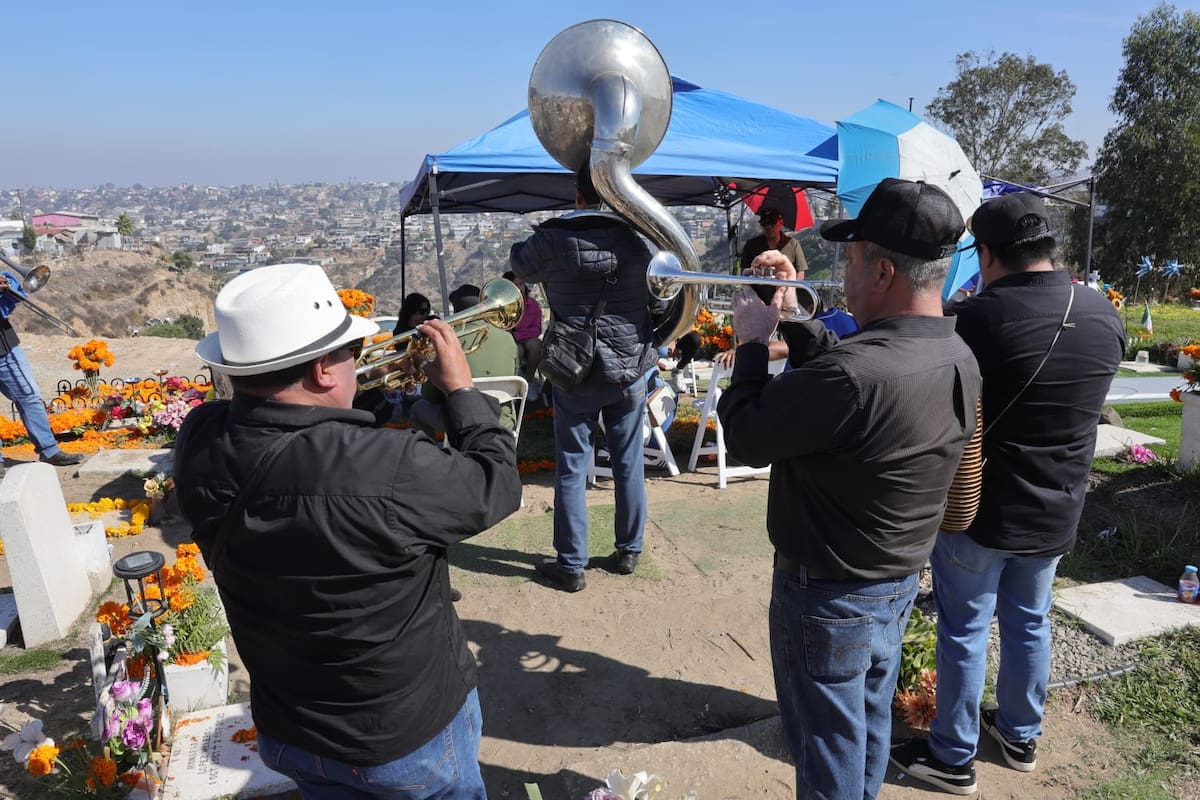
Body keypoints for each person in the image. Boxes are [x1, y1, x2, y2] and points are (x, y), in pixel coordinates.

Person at [172, 263, 522, 800]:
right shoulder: (388, 465)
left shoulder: (198, 439)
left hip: (291, 728)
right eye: (351, 353)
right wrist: (461, 392)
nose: (362, 363)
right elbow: (496, 485)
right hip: (401, 737)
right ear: (321, 371)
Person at [717, 178, 981, 800]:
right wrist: (799, 319)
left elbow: (748, 435)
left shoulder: (852, 376)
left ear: (885, 270)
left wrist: (753, 343)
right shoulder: (956, 352)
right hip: (893, 584)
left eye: (855, 260)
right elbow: (860, 375)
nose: (844, 273)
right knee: (864, 737)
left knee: (826, 753)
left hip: (828, 598)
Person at [890, 193, 1125, 795]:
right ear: (1051, 248)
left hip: (980, 507)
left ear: (987, 254)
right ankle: (1020, 735)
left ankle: (952, 756)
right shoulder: (1102, 313)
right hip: (1059, 504)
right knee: (1029, 621)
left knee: (964, 629)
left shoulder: (975, 319)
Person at [509, 165, 656, 592]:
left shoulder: (553, 240)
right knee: (628, 462)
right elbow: (658, 292)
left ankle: (571, 564)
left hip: (574, 369)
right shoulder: (636, 239)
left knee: (572, 467)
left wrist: (546, 232)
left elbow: (518, 262)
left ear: (577, 196)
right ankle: (629, 549)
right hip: (629, 367)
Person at [0, 264, 84, 472]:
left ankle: (49, 450)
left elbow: (7, 307)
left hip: (4, 345)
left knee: (29, 395)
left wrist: (7, 287)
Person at [411, 283, 520, 437]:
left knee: (418, 408)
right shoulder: (508, 338)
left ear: (456, 310)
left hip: (462, 421)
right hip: (503, 420)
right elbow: (515, 375)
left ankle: (428, 458)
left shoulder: (443, 341)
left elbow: (430, 396)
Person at [502, 270, 544, 395]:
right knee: (517, 350)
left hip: (526, 339)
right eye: (515, 285)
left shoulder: (534, 305)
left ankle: (529, 380)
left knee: (537, 345)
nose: (519, 288)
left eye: (521, 284)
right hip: (510, 340)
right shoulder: (501, 306)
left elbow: (537, 329)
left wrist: (518, 335)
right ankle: (515, 382)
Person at [739, 207, 807, 279]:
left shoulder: (793, 244)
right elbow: (744, 273)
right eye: (764, 223)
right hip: (759, 288)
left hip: (786, 287)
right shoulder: (751, 245)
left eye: (772, 222)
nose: (768, 227)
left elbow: (800, 271)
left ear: (781, 223)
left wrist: (792, 288)